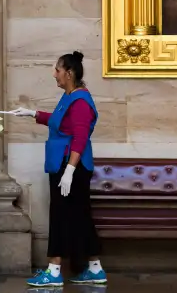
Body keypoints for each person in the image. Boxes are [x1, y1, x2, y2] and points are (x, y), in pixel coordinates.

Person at [10, 51, 106, 287]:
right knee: (79, 216)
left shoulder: (81, 101)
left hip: (70, 165)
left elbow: (80, 137)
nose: (54, 74)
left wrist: (70, 171)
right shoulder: (70, 96)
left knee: (61, 215)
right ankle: (95, 269)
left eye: (57, 70)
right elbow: (61, 121)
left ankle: (53, 271)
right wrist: (33, 113)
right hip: (65, 164)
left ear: (69, 73)